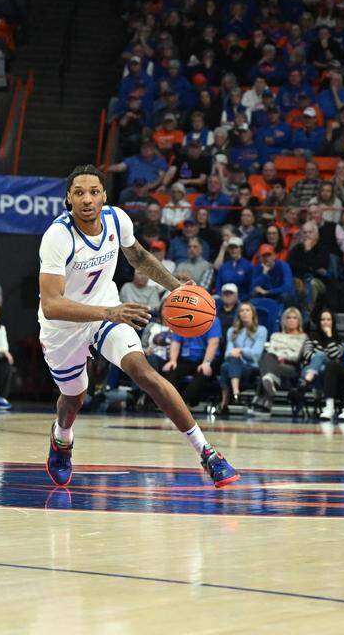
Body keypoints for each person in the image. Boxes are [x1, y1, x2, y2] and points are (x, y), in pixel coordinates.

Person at [38, 165, 237, 488]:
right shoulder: (58, 237)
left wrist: (176, 288)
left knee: (144, 372)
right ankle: (62, 437)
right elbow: (51, 304)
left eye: (93, 192)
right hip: (64, 326)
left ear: (104, 196)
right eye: (79, 193)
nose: (87, 199)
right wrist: (110, 311)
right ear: (68, 199)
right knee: (73, 399)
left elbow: (140, 258)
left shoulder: (117, 219)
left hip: (108, 312)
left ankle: (208, 453)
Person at [218, 303, 268, 415]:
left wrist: (240, 350)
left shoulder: (261, 330)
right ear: (238, 314)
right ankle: (236, 393)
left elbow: (256, 354)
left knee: (225, 367)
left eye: (247, 310)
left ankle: (225, 402)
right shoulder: (232, 331)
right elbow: (228, 353)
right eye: (242, 311)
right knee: (228, 363)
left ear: (253, 313)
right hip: (235, 365)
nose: (244, 313)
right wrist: (236, 353)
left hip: (251, 367)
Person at [257, 306, 308, 408]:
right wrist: (282, 354)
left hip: (291, 367)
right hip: (274, 362)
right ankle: (272, 381)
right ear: (284, 320)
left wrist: (282, 356)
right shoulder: (275, 335)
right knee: (266, 356)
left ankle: (262, 399)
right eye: (288, 318)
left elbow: (296, 356)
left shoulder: (303, 337)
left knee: (266, 365)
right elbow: (271, 351)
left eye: (294, 318)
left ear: (299, 321)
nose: (291, 320)